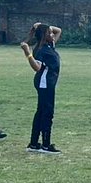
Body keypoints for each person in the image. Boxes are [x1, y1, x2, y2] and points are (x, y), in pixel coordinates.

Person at [21, 22, 62, 153]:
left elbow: (58, 30)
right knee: (47, 112)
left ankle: (33, 144)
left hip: (48, 82)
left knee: (41, 112)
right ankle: (45, 145)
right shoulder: (40, 50)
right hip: (44, 83)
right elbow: (37, 68)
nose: (52, 34)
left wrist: (40, 25)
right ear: (44, 36)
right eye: (49, 33)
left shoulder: (49, 45)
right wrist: (28, 53)